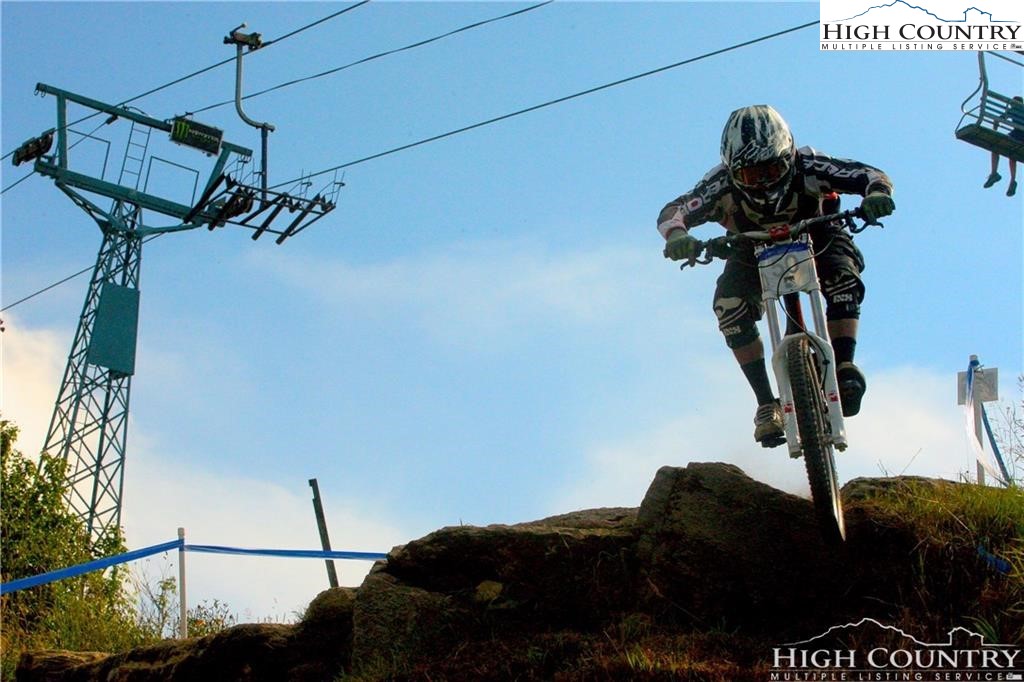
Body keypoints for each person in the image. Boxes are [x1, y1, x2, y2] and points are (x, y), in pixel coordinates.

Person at [657, 105, 894, 446]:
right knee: (729, 306)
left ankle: (844, 365)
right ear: (733, 170)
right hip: (749, 247)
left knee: (842, 277)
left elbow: (869, 174)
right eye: (753, 176)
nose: (765, 181)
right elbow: (673, 211)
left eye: (771, 168)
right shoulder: (719, 183)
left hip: (818, 232)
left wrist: (876, 194)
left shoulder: (810, 164)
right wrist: (678, 236)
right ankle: (766, 403)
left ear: (788, 156)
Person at [983, 95, 1024, 197]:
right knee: (1012, 155)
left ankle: (994, 172)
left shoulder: (1013, 110)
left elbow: (998, 119)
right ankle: (1012, 180)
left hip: (1017, 135)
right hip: (1017, 135)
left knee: (996, 146)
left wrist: (995, 128)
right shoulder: (1019, 109)